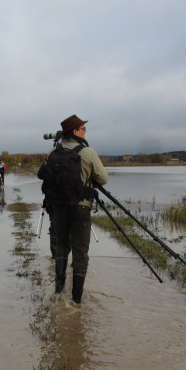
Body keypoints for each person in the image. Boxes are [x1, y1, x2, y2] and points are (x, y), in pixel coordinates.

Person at [51, 114, 108, 305]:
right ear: (75, 131)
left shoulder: (55, 152)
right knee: (80, 252)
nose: (85, 131)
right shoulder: (88, 152)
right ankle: (76, 300)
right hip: (81, 208)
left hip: (58, 208)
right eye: (83, 128)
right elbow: (103, 179)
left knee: (61, 246)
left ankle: (58, 291)